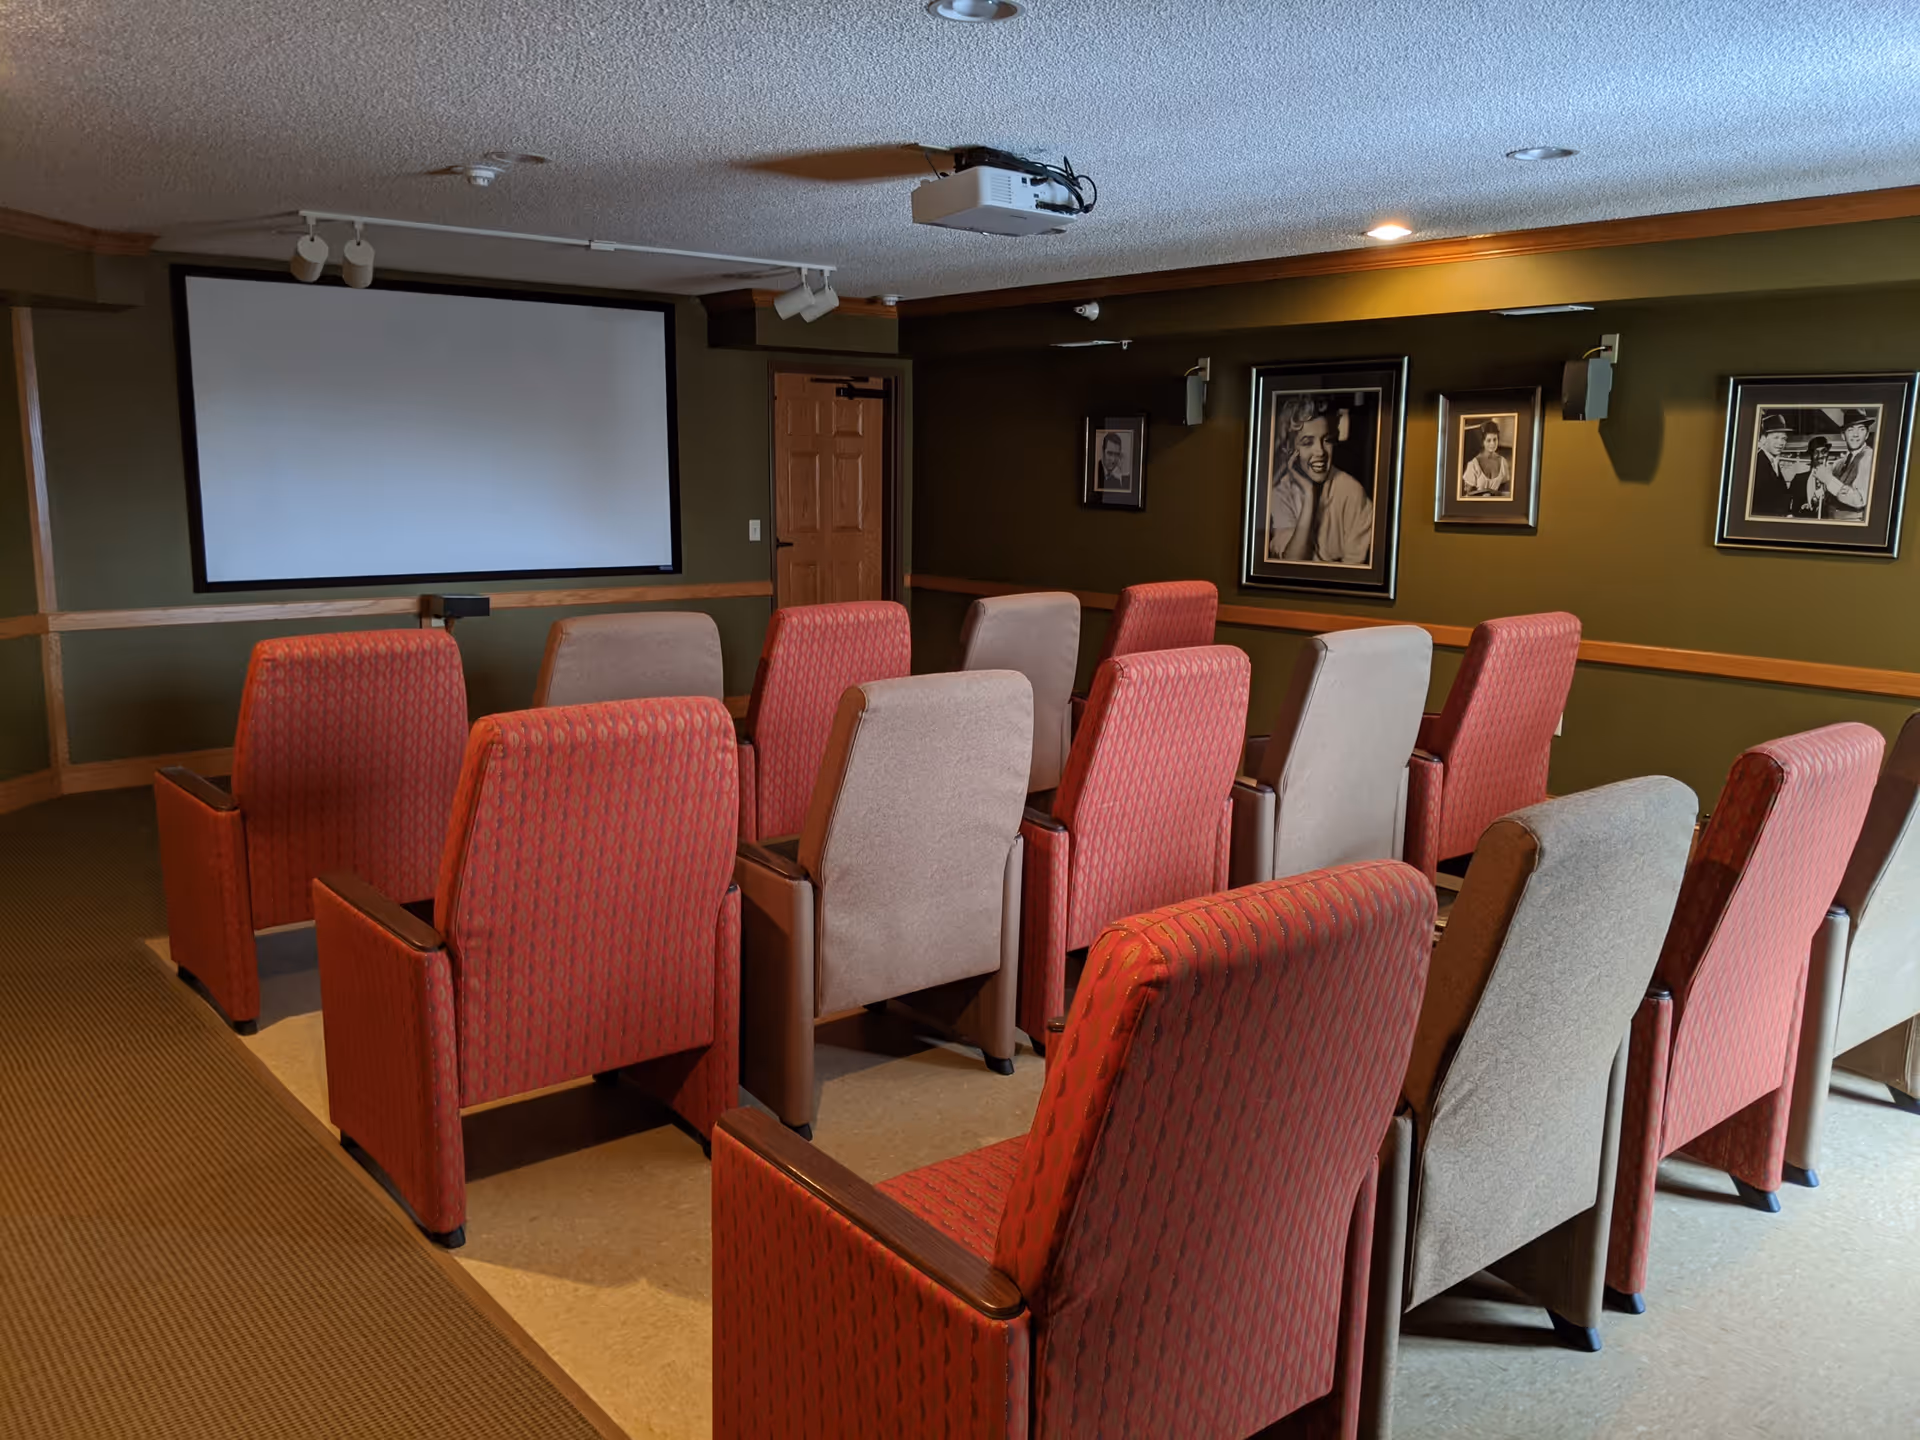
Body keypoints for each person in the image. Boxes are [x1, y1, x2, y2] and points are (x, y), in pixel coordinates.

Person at [1264, 394, 1372, 565]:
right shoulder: (1281, 494)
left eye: (1327, 440)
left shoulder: (1351, 491)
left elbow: (1355, 570)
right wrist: (1309, 495)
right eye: (1308, 443)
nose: (1320, 452)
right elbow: (1293, 563)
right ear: (1290, 450)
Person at [1747, 410, 1809, 518]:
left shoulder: (1774, 461)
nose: (1781, 443)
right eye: (1776, 437)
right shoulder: (1755, 463)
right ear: (1763, 439)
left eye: (1784, 438)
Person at [1459, 419, 1511, 498]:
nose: (1492, 444)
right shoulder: (1473, 465)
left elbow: (1505, 490)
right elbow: (1468, 494)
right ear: (1483, 442)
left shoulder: (1503, 462)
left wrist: (1495, 494)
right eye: (1488, 440)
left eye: (1495, 439)